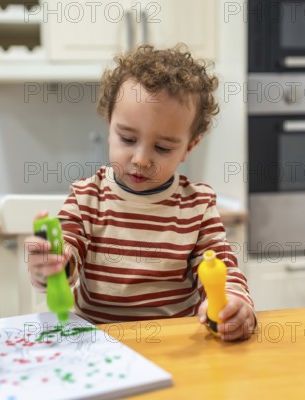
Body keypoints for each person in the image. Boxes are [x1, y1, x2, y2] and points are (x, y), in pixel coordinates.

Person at [25, 44, 256, 341]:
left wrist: (233, 303)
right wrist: (52, 264)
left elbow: (220, 267)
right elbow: (67, 256)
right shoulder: (86, 198)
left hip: (174, 346)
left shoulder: (197, 207)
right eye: (128, 138)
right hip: (98, 344)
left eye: (162, 148)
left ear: (189, 147)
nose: (141, 160)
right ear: (109, 126)